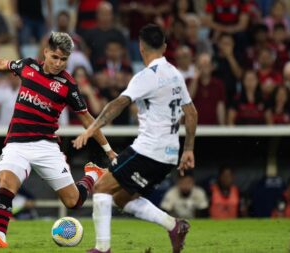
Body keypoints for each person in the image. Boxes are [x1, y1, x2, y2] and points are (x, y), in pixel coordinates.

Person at [0, 31, 116, 248]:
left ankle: (91, 175)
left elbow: (88, 119)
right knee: (6, 182)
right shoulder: (28, 66)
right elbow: (3, 63)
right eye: (55, 57)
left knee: (73, 202)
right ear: (46, 52)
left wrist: (108, 150)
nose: (59, 63)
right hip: (16, 143)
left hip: (46, 146)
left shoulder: (67, 85)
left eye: (64, 59)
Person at [73, 24, 198, 253]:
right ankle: (174, 226)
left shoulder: (145, 76)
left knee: (101, 187)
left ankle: (102, 249)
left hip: (148, 150)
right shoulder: (175, 74)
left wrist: (90, 129)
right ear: (164, 47)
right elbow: (191, 113)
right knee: (122, 198)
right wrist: (188, 149)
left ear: (140, 47)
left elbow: (118, 104)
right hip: (169, 154)